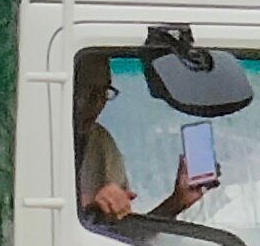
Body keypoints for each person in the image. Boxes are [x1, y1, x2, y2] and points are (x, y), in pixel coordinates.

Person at [74, 55, 218, 228]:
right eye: (87, 92)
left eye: (103, 92)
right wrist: (90, 210)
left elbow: (127, 236)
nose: (97, 103)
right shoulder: (44, 141)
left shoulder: (101, 143)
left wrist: (178, 201)